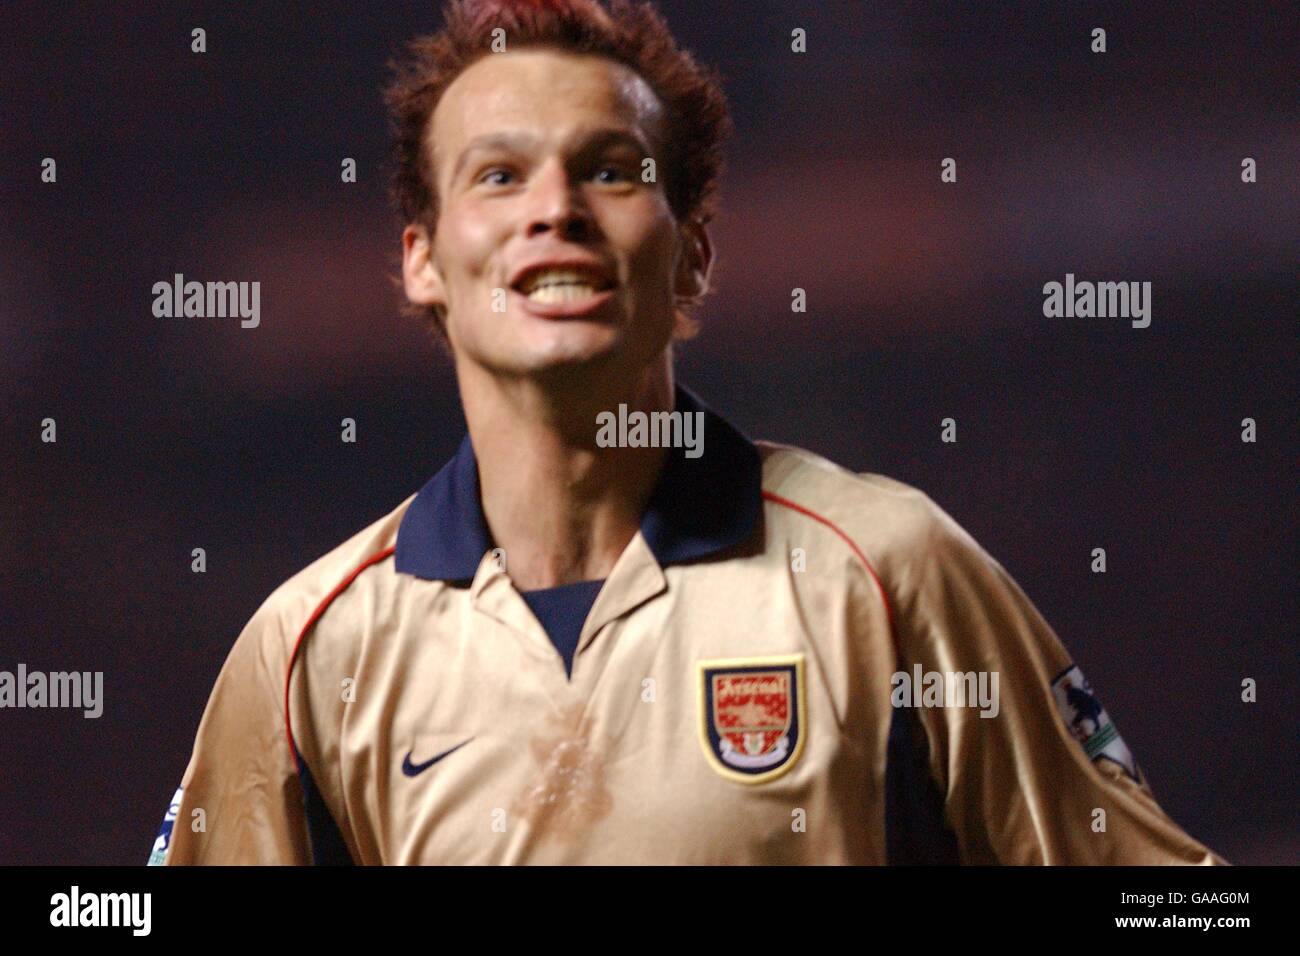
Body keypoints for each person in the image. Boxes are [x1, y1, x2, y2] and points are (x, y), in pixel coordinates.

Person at [152, 0, 1224, 865]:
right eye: (499, 173)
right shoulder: (309, 646)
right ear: (424, 257)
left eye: (610, 168)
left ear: (694, 256)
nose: (555, 207)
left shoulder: (883, 571)